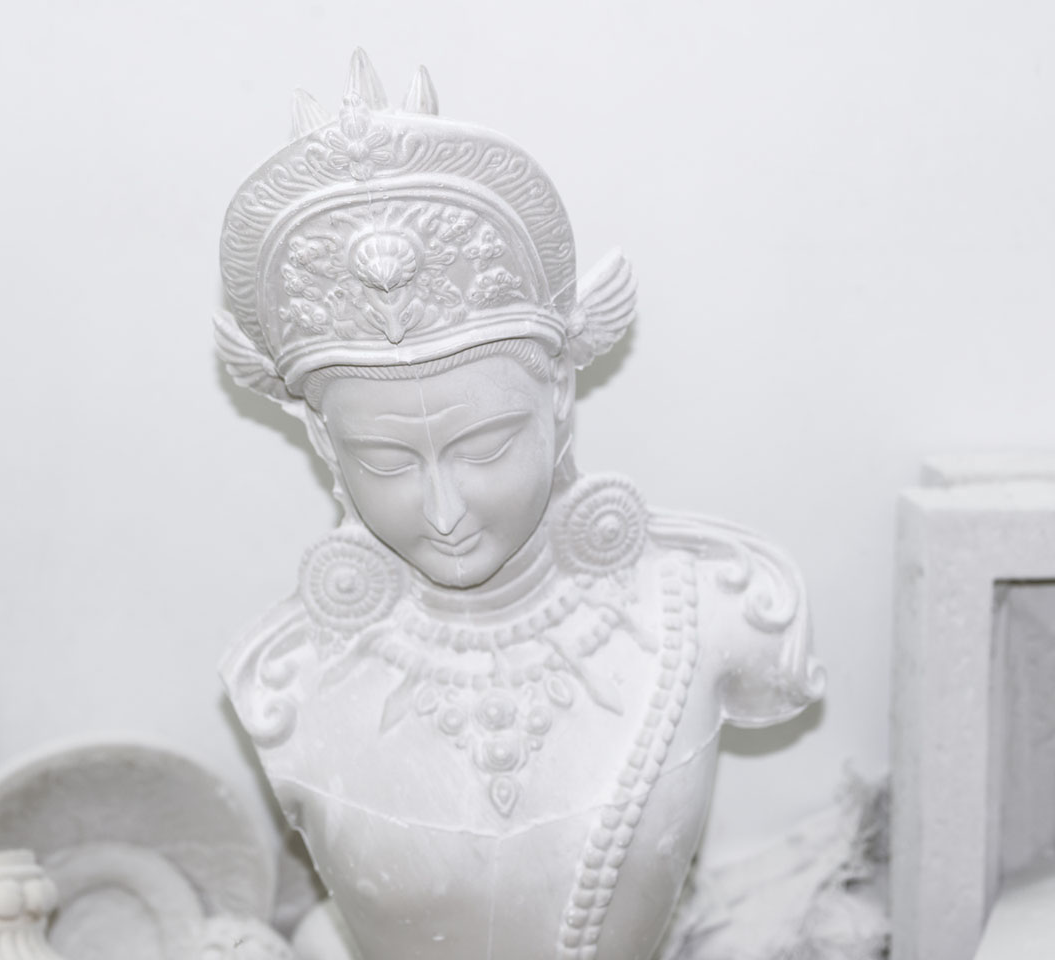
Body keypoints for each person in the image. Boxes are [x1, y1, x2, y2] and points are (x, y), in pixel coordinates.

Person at [216, 50, 823, 960]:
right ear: (324, 445)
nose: (444, 509)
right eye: (386, 460)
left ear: (560, 395)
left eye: (486, 446)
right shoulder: (285, 680)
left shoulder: (718, 604)